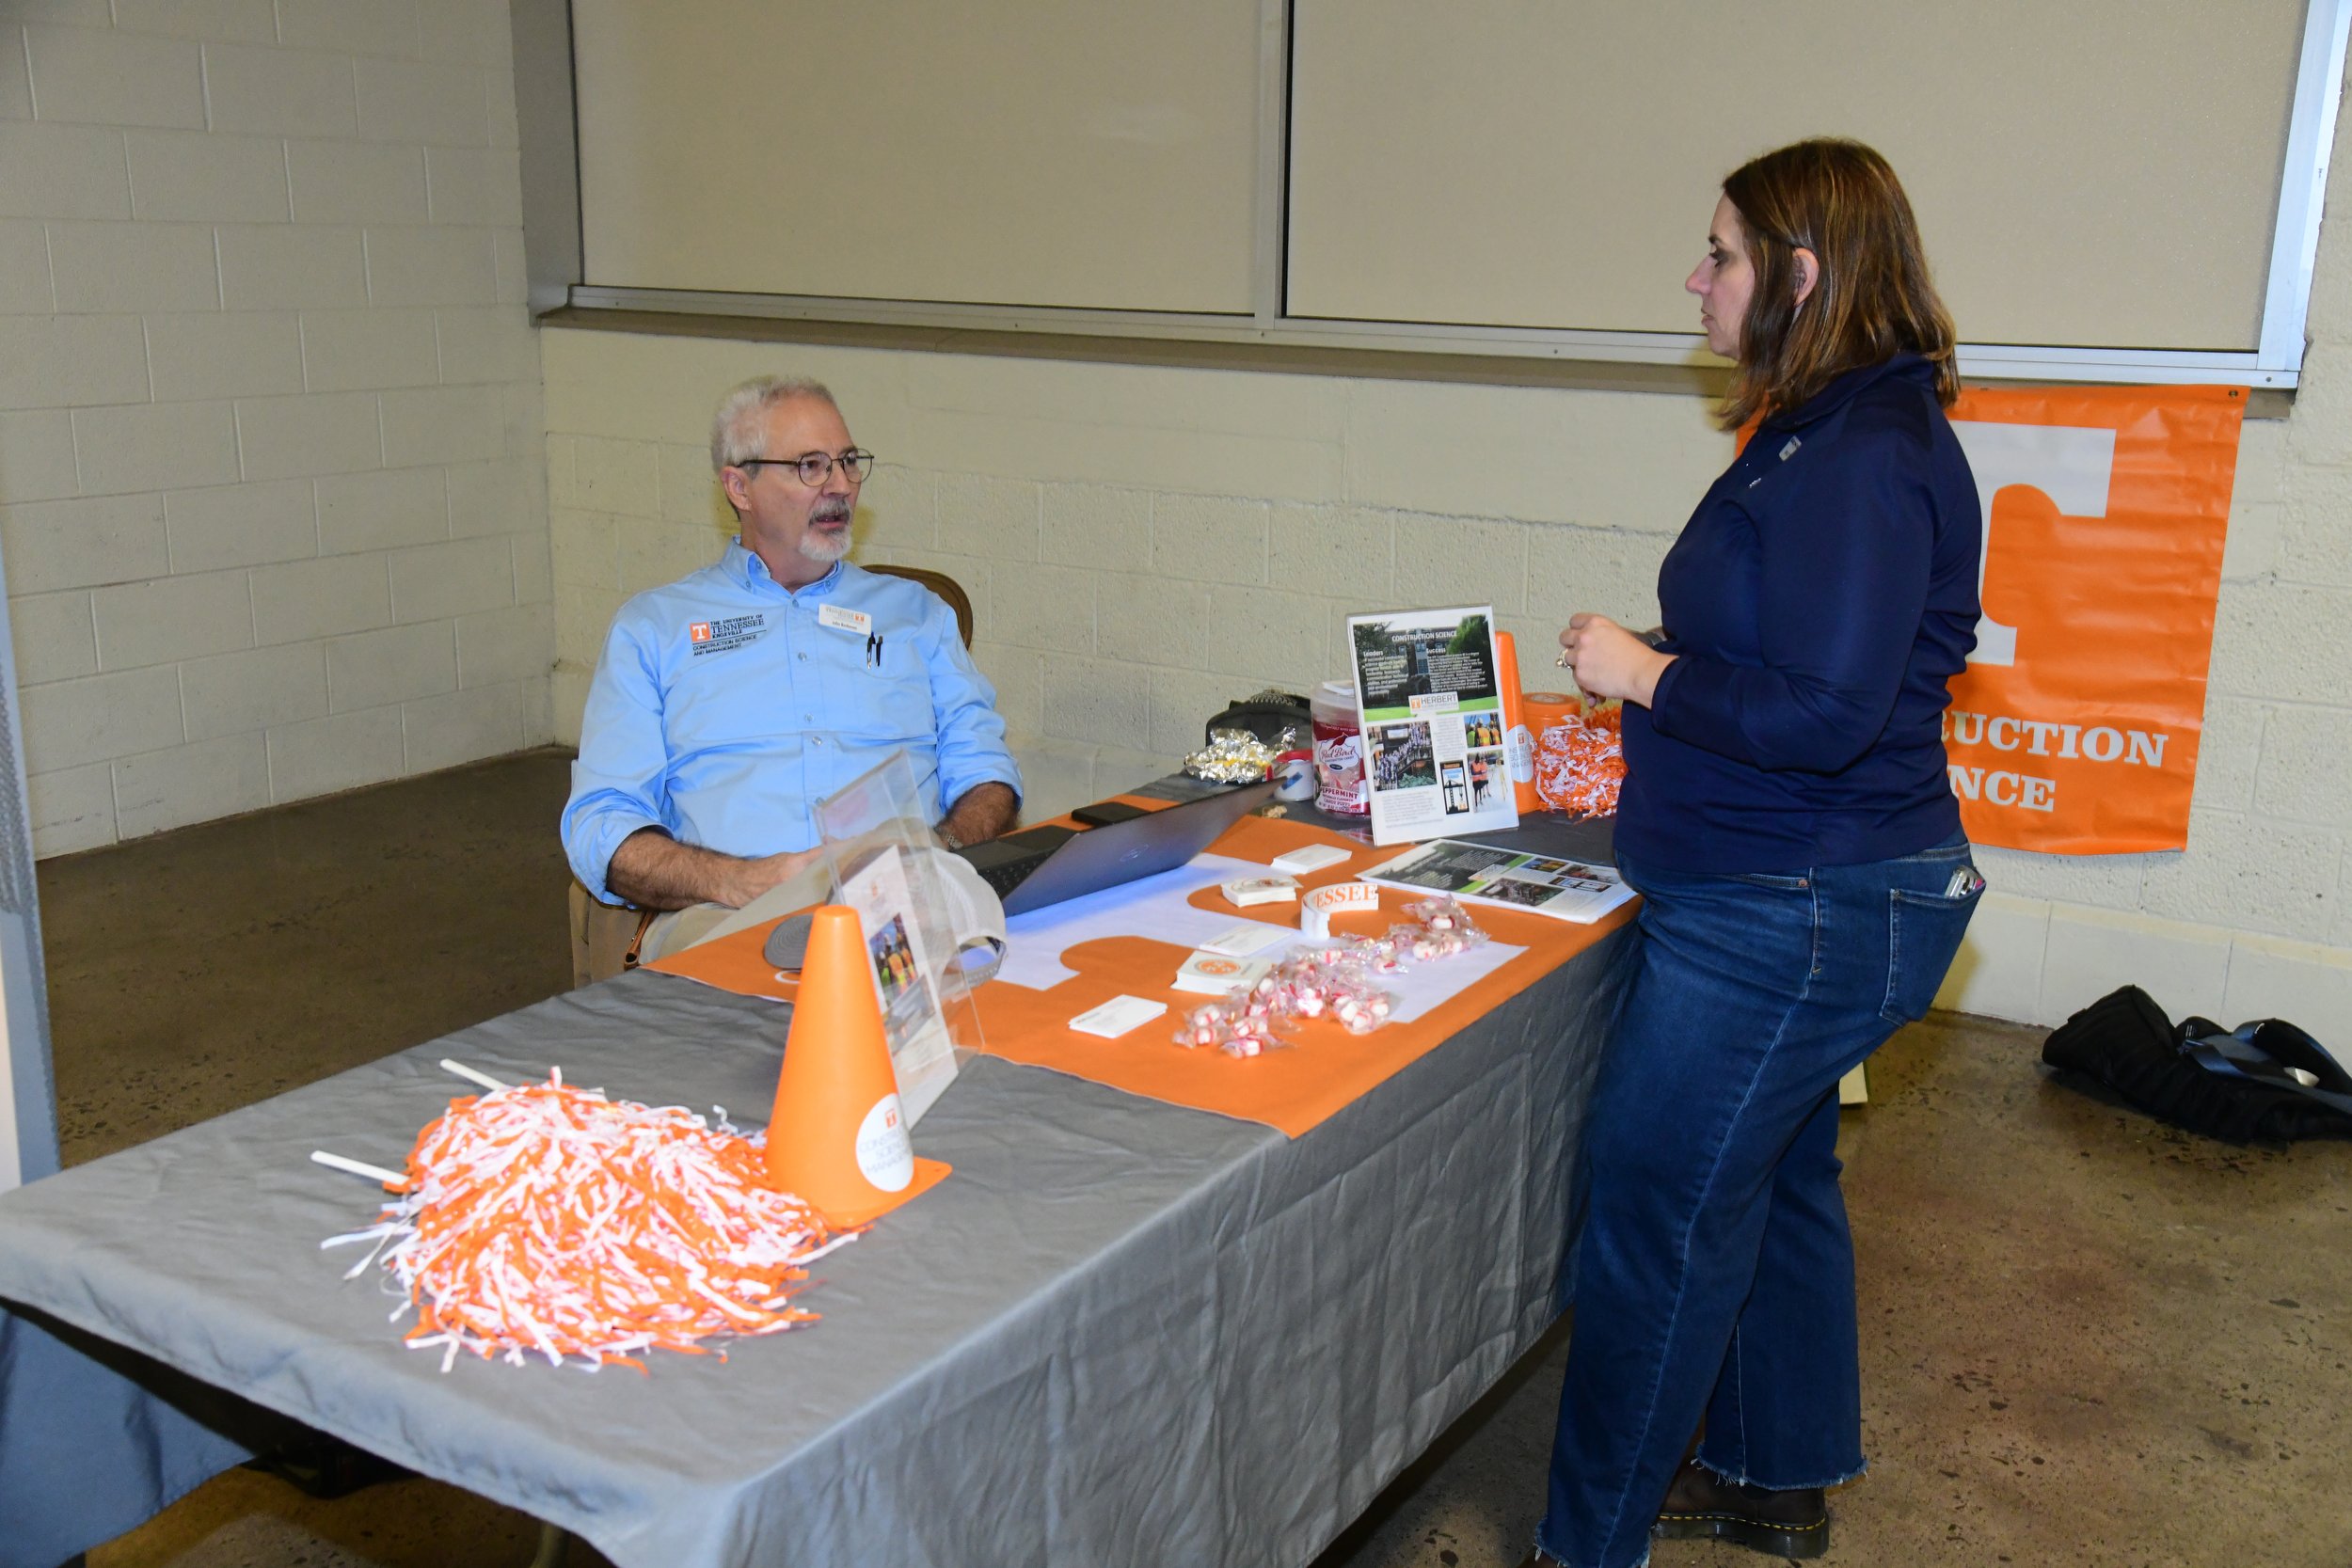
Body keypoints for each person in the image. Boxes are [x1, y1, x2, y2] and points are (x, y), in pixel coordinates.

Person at [1530, 139, 1985, 1567]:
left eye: (1720, 254)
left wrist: (1640, 672)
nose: (1695, 276)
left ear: (1800, 273)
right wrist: (1673, 660)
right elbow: (1798, 657)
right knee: (1776, 1173)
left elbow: (1829, 713)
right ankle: (1771, 1469)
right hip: (1793, 886)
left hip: (1794, 907)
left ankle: (1583, 1540)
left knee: (1658, 1213)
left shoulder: (1861, 453)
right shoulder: (1833, 425)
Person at [563, 375, 1021, 961]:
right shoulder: (654, 629)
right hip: (729, 916)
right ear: (740, 486)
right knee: (795, 1010)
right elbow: (602, 827)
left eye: (848, 462)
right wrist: (743, 881)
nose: (840, 487)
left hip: (907, 907)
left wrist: (944, 846)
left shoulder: (916, 615)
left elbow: (986, 771)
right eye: (809, 465)